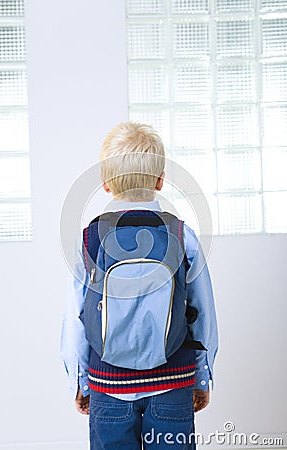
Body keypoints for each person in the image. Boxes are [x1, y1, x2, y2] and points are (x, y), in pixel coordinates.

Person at [60, 122, 218, 449]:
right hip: (173, 384)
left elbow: (74, 319)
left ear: (105, 184)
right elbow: (203, 314)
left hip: (109, 384)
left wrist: (81, 382)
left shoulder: (90, 239)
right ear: (160, 181)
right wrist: (202, 377)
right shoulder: (181, 235)